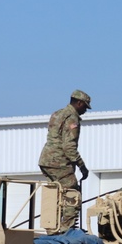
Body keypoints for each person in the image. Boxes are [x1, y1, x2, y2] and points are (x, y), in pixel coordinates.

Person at [39, 89, 91, 234]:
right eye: (85, 107)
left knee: (54, 193)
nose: (85, 111)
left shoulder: (57, 113)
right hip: (59, 162)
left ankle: (51, 228)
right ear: (79, 103)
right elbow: (69, 147)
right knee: (72, 192)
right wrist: (82, 166)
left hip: (46, 160)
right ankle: (66, 230)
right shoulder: (72, 118)